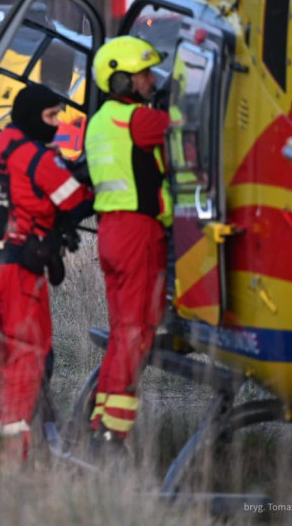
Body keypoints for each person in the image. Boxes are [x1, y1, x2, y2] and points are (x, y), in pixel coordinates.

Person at [0, 83, 94, 462]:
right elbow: (75, 202)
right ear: (34, 115)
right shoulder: (38, 156)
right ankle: (16, 453)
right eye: (52, 116)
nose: (56, 123)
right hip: (16, 265)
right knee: (27, 353)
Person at [83, 36, 173, 449]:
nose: (152, 80)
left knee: (123, 330)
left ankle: (100, 419)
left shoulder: (100, 120)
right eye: (144, 74)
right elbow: (185, 132)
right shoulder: (137, 119)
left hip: (111, 234)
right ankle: (113, 434)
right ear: (121, 81)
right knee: (137, 331)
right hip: (139, 233)